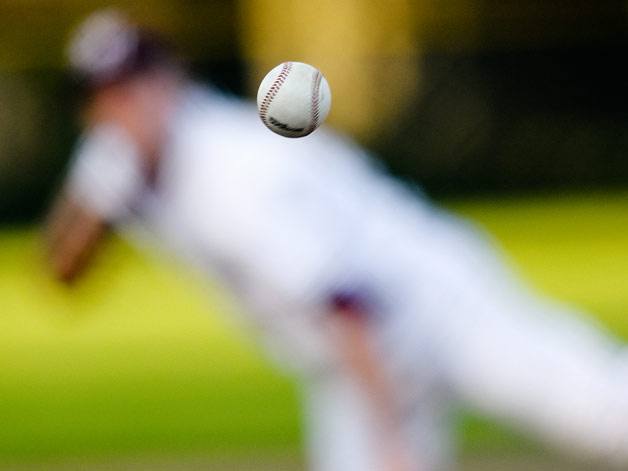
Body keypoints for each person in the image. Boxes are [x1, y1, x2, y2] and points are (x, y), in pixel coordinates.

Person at [47, 10, 628, 471]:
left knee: (596, 411)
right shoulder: (112, 162)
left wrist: (390, 439)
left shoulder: (232, 172)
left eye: (134, 83)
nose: (124, 104)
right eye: (105, 93)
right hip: (343, 354)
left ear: (170, 79)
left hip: (429, 300)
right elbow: (63, 275)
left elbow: (345, 300)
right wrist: (92, 210)